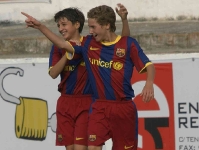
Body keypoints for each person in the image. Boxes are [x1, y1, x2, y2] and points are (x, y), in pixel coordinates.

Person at [22, 4, 155, 150]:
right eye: (89, 27)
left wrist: (149, 83)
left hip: (120, 107)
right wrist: (40, 26)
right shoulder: (88, 44)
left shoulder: (123, 44)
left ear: (106, 25)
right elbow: (60, 47)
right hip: (96, 106)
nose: (90, 31)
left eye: (93, 27)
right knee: (89, 147)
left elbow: (134, 53)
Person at [48, 4, 131, 150]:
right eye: (58, 25)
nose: (60, 28)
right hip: (65, 103)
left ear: (77, 24)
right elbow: (53, 73)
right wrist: (68, 54)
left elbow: (122, 45)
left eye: (64, 24)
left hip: (87, 101)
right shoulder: (58, 47)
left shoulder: (90, 43)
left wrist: (124, 20)